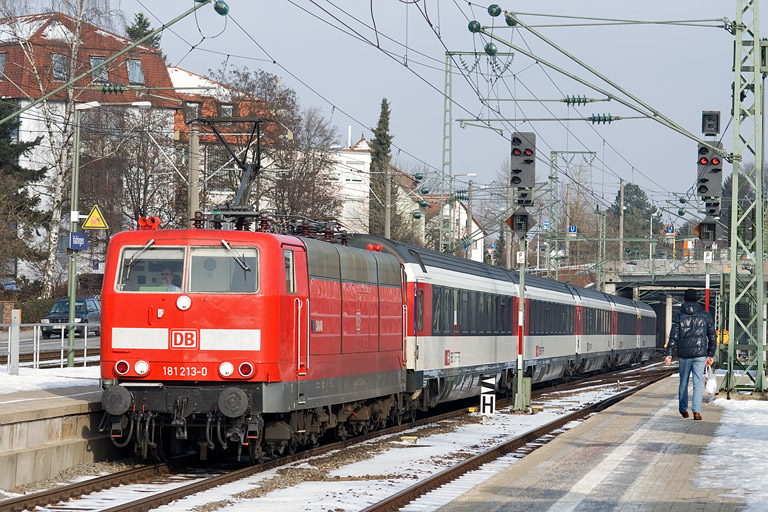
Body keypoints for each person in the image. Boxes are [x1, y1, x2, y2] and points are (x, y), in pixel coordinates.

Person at [665, 288, 716, 420]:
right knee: (698, 383)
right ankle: (697, 411)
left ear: (685, 300)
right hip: (700, 354)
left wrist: (669, 354)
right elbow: (712, 337)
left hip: (684, 355)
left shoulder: (679, 316)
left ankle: (683, 409)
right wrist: (710, 355)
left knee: (683, 382)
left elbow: (673, 337)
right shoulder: (705, 316)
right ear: (697, 300)